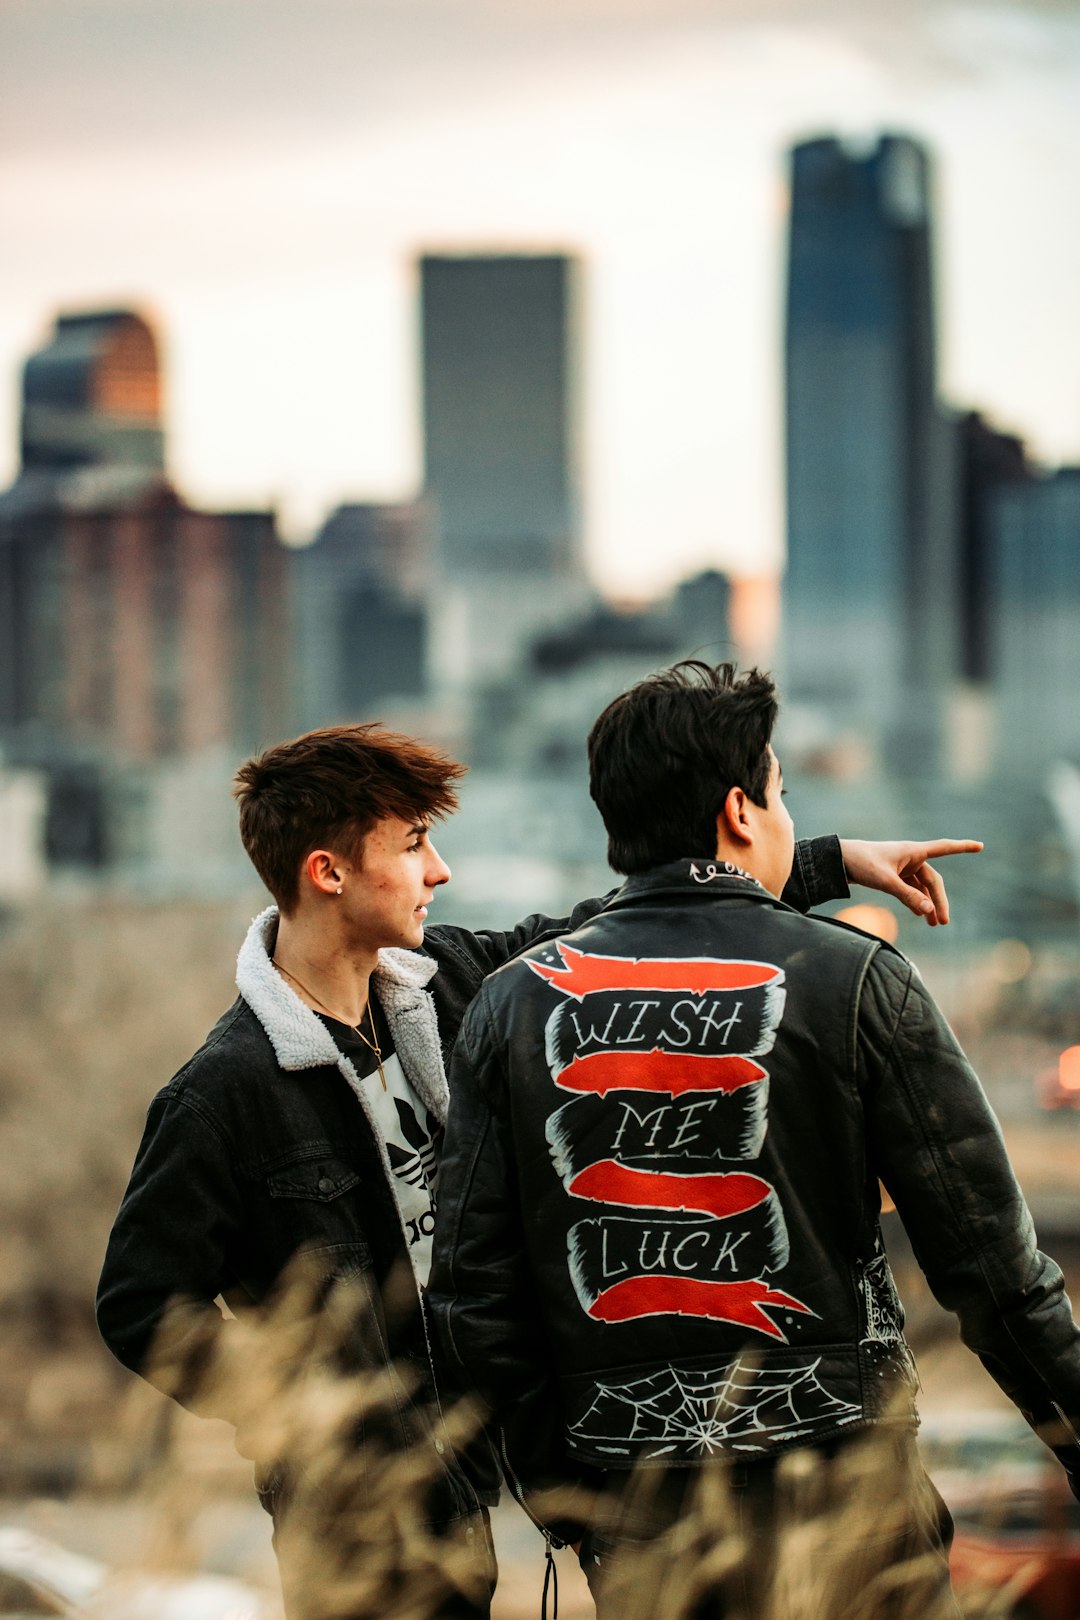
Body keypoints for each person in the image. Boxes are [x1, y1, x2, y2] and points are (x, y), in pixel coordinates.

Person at [97, 719, 980, 1620]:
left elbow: (609, 929)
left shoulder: (445, 985)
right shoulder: (224, 1093)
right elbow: (138, 1302)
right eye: (412, 845)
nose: (438, 871)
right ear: (328, 872)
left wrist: (831, 864)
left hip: (476, 1472)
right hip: (352, 1514)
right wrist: (297, 1415)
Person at [427, 663, 1080, 1620]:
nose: (785, 817)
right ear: (740, 809)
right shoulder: (858, 981)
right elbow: (994, 1272)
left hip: (642, 1527)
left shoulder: (512, 1003)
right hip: (853, 1509)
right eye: (783, 794)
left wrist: (574, 1497)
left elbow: (472, 1299)